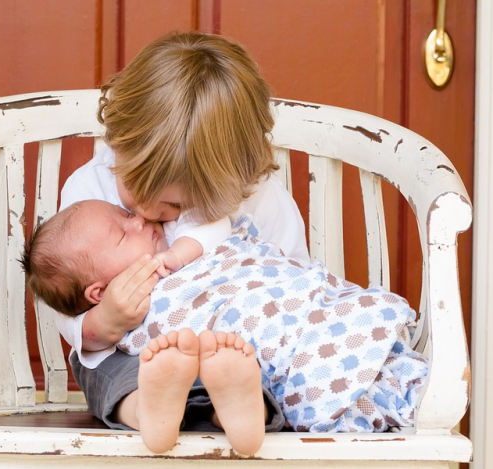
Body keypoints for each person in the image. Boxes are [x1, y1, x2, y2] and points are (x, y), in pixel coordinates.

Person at [47, 31, 310, 454]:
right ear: (118, 142)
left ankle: (240, 408)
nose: (147, 212)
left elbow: (295, 280)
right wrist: (105, 321)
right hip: (143, 357)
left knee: (257, 370)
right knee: (103, 369)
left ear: (233, 180)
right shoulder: (90, 189)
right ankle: (147, 409)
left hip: (237, 349)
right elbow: (67, 297)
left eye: (175, 204)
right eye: (134, 190)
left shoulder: (259, 197)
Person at [24, 200, 428, 436]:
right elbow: (85, 338)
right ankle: (222, 407)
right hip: (243, 348)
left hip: (298, 311)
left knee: (253, 342)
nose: (138, 220)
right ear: (97, 292)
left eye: (125, 213)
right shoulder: (126, 289)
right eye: (122, 233)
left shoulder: (181, 231)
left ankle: (235, 406)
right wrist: (109, 318)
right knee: (188, 356)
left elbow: (225, 235)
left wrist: (179, 254)